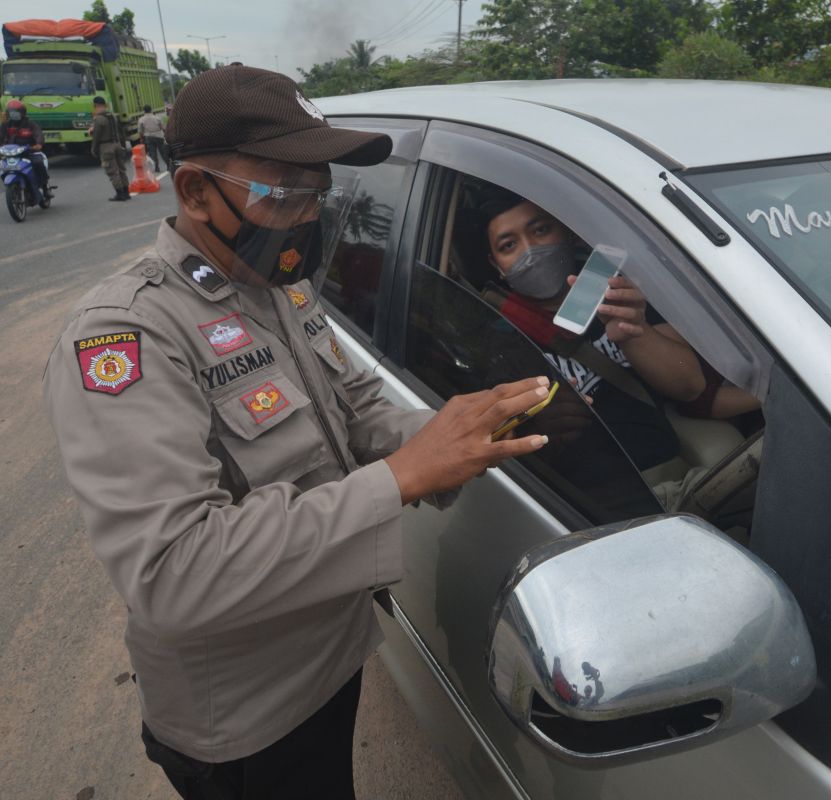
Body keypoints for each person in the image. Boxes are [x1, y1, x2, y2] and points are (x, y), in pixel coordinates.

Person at [42, 65, 550, 800]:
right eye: (286, 192)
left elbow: (361, 409)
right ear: (194, 193)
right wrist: (403, 477)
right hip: (246, 712)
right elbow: (173, 571)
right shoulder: (129, 335)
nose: (309, 214)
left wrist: (459, 434)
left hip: (330, 655)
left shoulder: (280, 286)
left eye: (319, 190)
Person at [478, 190, 706, 470]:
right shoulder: (502, 341)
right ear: (496, 265)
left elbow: (690, 387)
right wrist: (543, 428)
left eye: (540, 230)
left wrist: (635, 333)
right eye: (509, 245)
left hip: (665, 465)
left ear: (568, 230)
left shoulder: (621, 290)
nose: (530, 252)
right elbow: (506, 453)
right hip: (594, 504)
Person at [1, 99, 51, 197]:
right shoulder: (5, 125)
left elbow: (38, 134)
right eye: (11, 112)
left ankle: (45, 188)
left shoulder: (30, 124)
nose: (13, 114)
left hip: (29, 151)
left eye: (16, 112)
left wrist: (38, 144)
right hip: (10, 153)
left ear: (22, 113)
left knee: (38, 162)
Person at [89, 96, 130, 201]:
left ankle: (120, 194)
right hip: (117, 144)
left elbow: (97, 136)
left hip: (106, 146)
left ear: (95, 105)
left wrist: (93, 148)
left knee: (112, 171)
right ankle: (126, 192)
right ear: (105, 105)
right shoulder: (112, 116)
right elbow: (119, 132)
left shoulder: (99, 119)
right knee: (121, 169)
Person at [137, 103, 168, 172]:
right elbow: (163, 127)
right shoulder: (156, 118)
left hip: (149, 137)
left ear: (144, 111)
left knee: (152, 153)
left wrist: (141, 139)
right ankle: (168, 165)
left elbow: (140, 131)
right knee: (163, 152)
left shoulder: (141, 119)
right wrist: (166, 134)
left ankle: (156, 167)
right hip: (159, 136)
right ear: (151, 110)